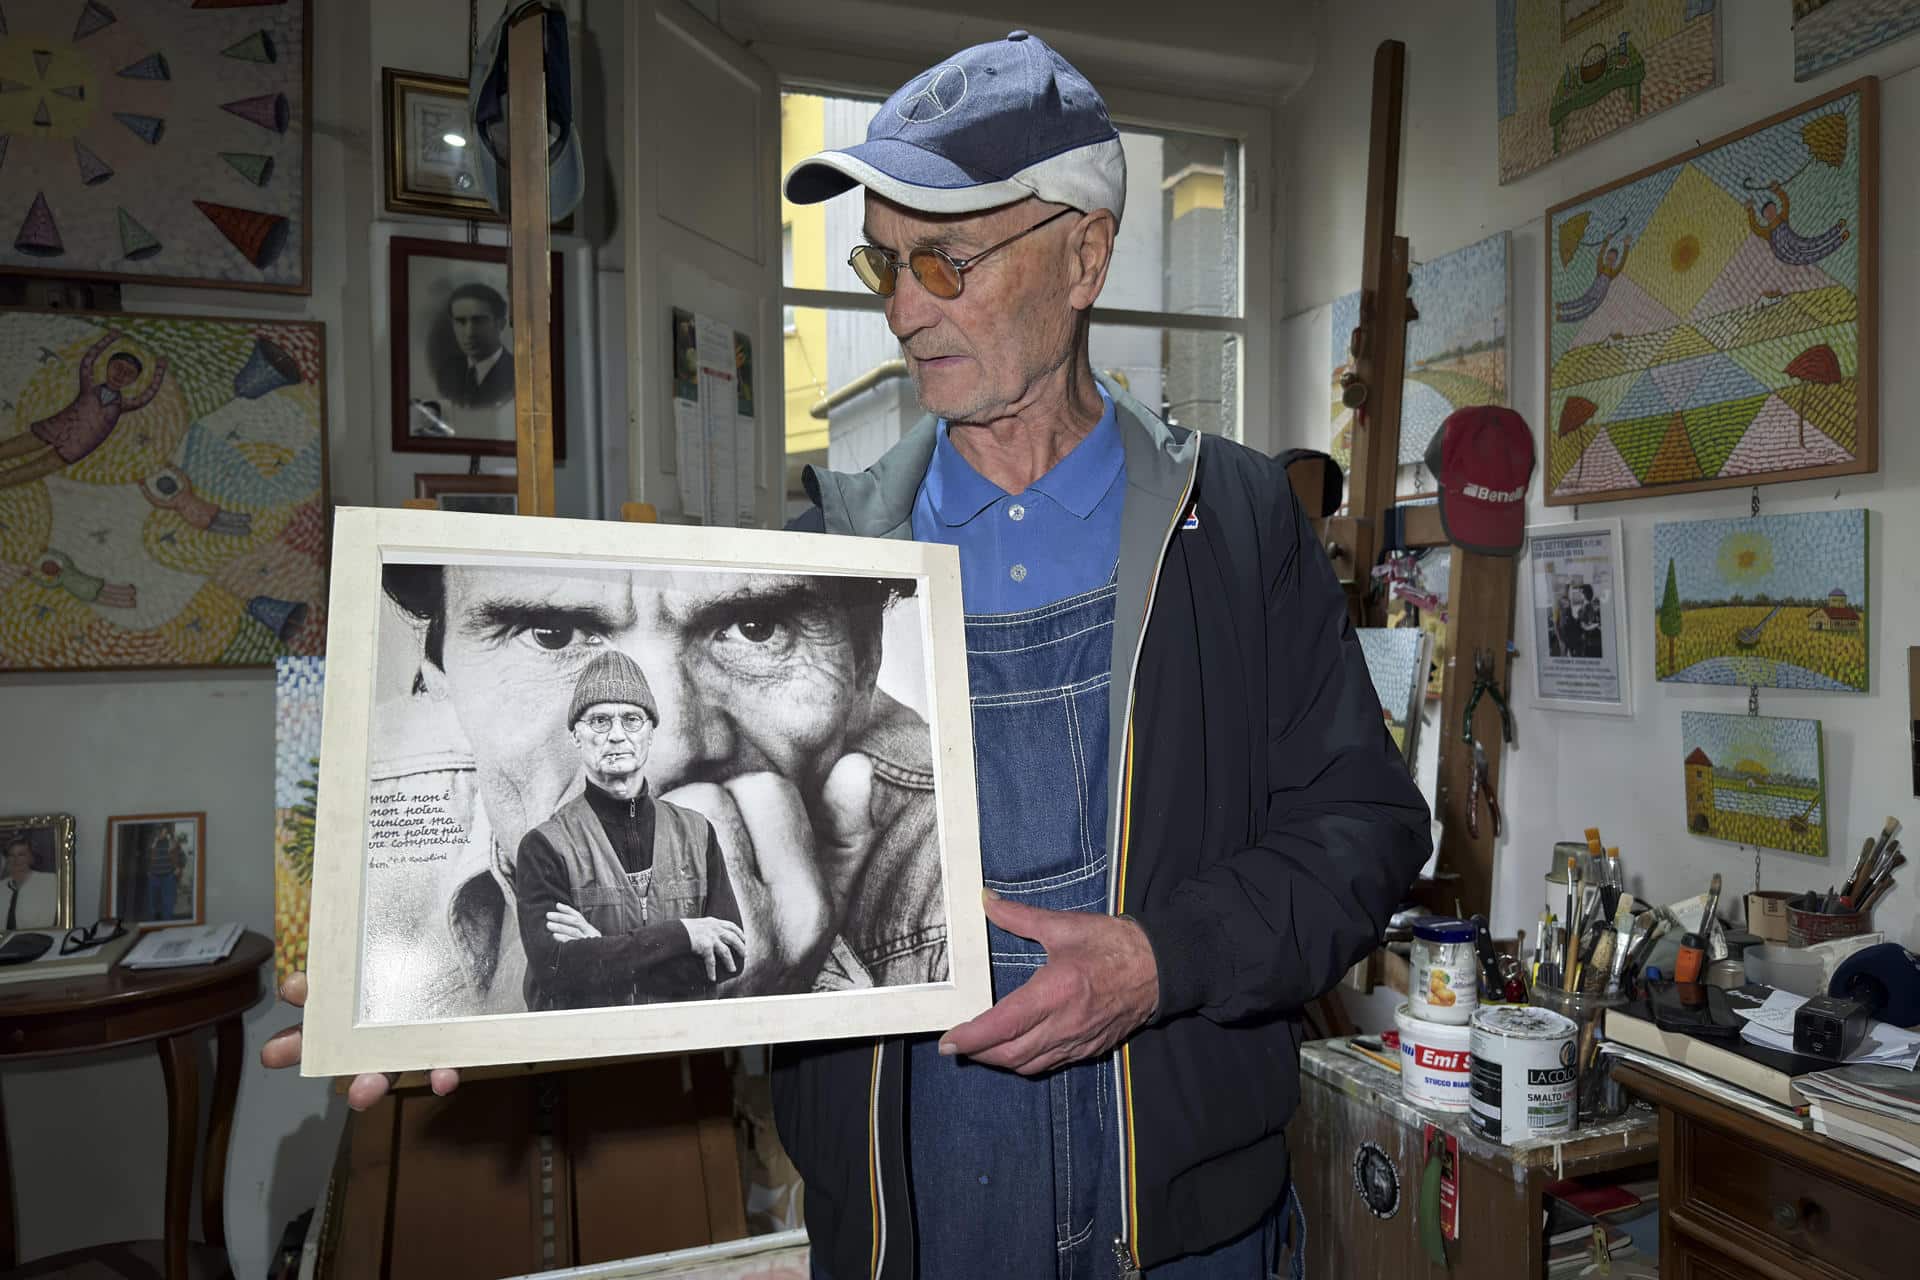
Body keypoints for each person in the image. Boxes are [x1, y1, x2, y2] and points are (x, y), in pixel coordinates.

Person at [265, 31, 1429, 1279]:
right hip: (907, 1239)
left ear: (1085, 256)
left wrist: (1160, 959)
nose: (901, 304)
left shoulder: (1239, 526)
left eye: (946, 258)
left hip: (1188, 1234)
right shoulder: (819, 563)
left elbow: (1365, 830)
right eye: (885, 258)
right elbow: (671, 870)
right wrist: (444, 995)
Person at [515, 649, 748, 1010]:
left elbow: (729, 958)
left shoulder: (698, 833)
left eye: (632, 719)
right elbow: (557, 971)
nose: (617, 736)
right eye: (600, 721)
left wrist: (600, 950)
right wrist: (682, 934)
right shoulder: (545, 847)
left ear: (651, 733)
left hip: (678, 1049)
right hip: (588, 1053)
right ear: (576, 735)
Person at [0, 328, 169, 489]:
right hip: (53, 428)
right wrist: (109, 339)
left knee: (26, 473)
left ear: (133, 380)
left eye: (129, 373)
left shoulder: (122, 405)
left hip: (75, 448)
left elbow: (147, 396)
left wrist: (159, 370)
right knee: (9, 449)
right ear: (108, 367)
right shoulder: (89, 387)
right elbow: (88, 360)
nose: (121, 375)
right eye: (118, 367)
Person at [433, 282, 515, 408]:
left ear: (500, 324)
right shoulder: (447, 373)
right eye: (460, 322)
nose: (469, 333)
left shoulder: (516, 373)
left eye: (479, 321)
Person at [4, 835, 58, 931]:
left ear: (31, 857)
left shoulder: (49, 881)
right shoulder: (1, 887)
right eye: (11, 855)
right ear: (7, 859)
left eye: (21, 855)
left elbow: (48, 922)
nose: (16, 860)